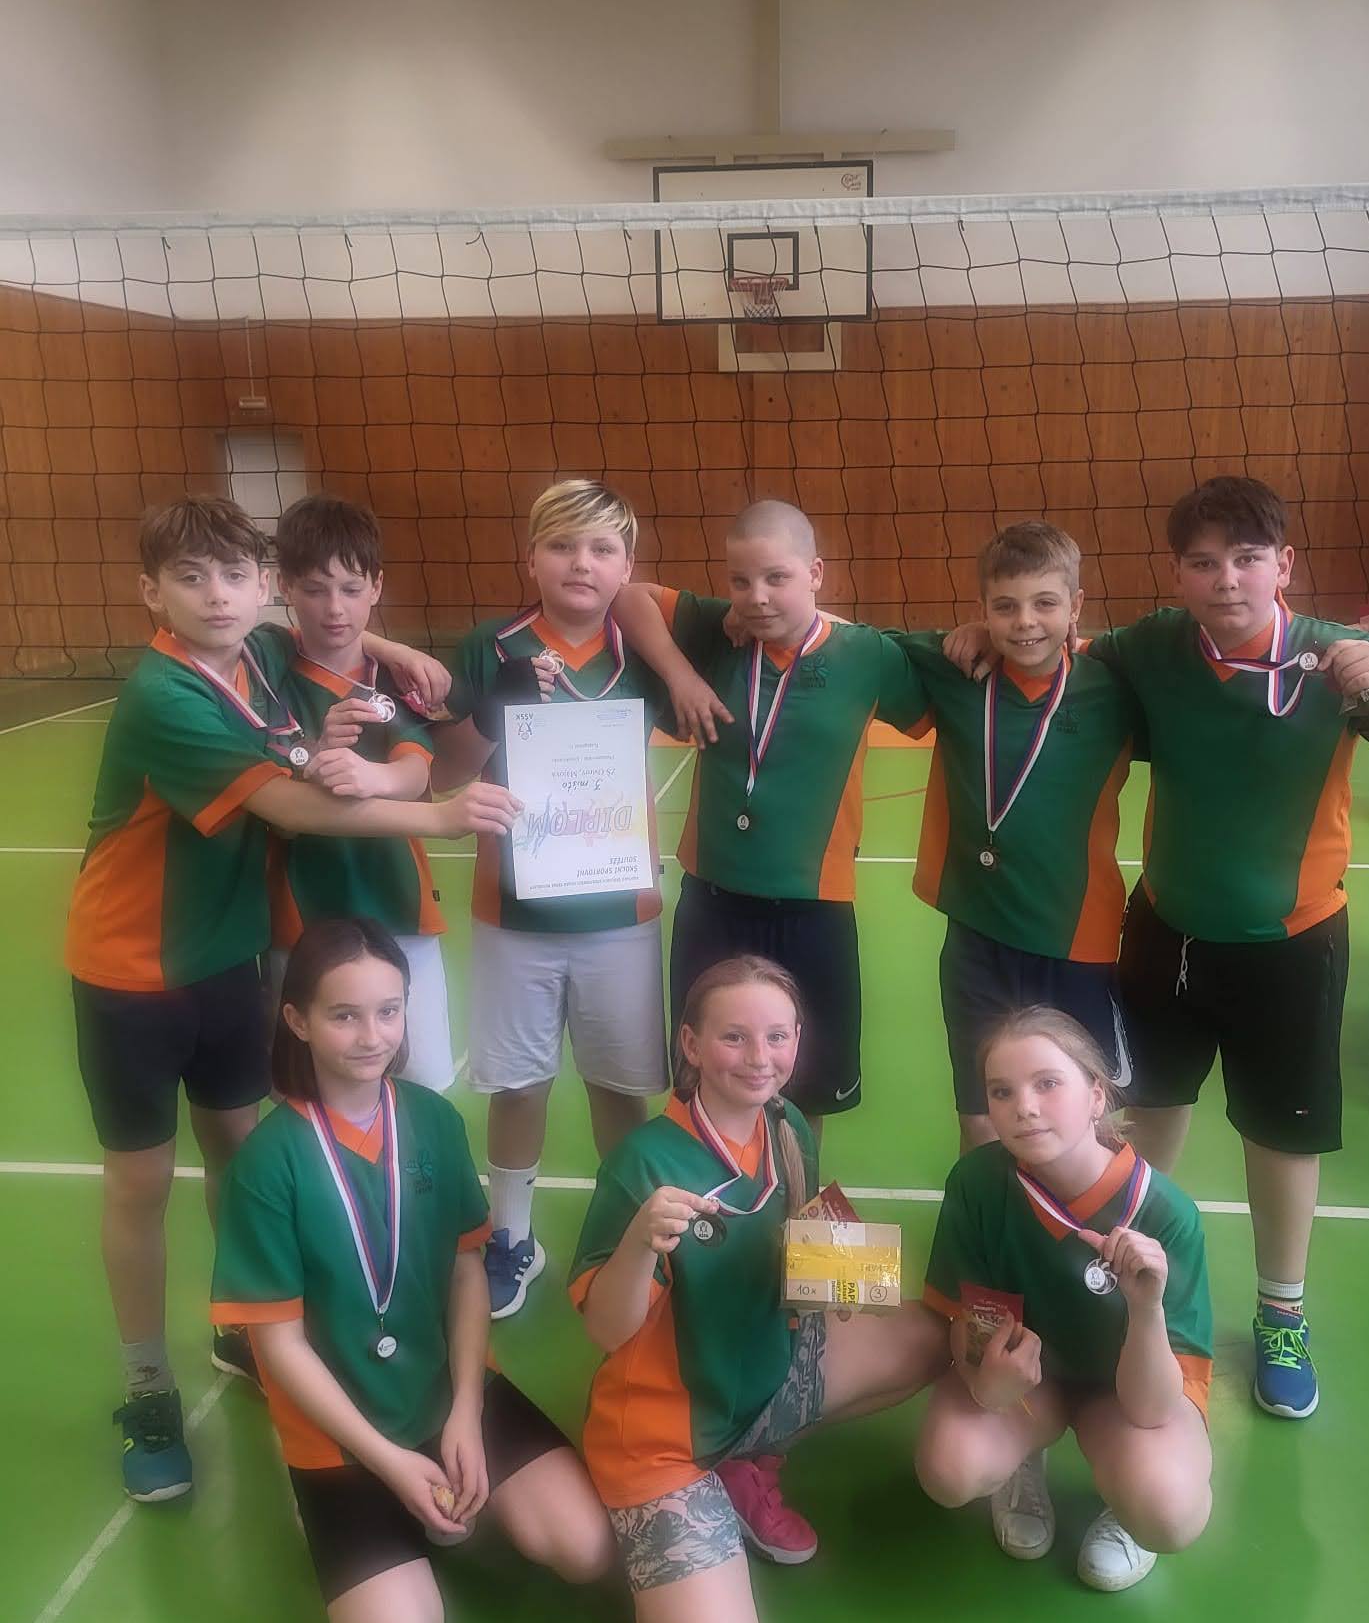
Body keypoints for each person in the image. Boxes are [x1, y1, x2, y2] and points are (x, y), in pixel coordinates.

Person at [65, 495, 520, 1502]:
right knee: (140, 1184)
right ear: (150, 593)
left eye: (235, 575)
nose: (216, 596)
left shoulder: (260, 657)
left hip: (229, 960)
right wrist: (440, 814)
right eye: (190, 578)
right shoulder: (165, 693)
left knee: (240, 1154)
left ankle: (242, 1324)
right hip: (130, 971)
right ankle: (148, 1388)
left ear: (262, 587)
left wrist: (397, 649)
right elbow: (293, 806)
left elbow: (327, 629)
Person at [1082, 477, 1369, 1421]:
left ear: (1284, 565)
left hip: (1293, 945)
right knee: (1147, 1117)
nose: (1225, 579)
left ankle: (1282, 1314)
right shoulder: (1154, 646)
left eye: (1246, 558)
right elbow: (1061, 661)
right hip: (1166, 933)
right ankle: (1126, 1279)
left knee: (1281, 1134)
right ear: (1178, 574)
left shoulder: (1337, 661)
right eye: (1202, 562)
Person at [210, 919, 613, 1623]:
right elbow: (278, 1345)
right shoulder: (266, 1163)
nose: (372, 1036)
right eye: (344, 1015)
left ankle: (448, 1484)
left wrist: (465, 1410)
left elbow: (467, 1270)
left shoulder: (432, 1121)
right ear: (297, 1020)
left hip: (445, 1392)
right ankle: (362, 1509)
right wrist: (389, 1463)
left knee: (585, 1548)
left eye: (388, 1011)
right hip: (341, 1437)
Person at [568, 956, 946, 1623]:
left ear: (798, 1040)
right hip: (664, 1439)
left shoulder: (787, 1127)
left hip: (762, 1376)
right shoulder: (642, 1164)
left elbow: (805, 1237)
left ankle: (747, 1464)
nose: (759, 1057)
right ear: (691, 1045)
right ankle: (674, 1527)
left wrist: (840, 1280)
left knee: (928, 1339)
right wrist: (639, 1241)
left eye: (777, 1036)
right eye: (733, 1037)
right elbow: (606, 1329)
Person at [433, 479, 712, 1320]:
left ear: (628, 567)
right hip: (511, 914)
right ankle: (513, 1238)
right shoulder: (492, 646)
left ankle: (625, 1235)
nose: (580, 564)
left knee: (619, 1089)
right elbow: (445, 774)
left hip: (619, 917)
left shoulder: (644, 651)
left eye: (601, 550)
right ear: (531, 559)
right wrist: (493, 716)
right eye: (561, 546)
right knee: (517, 1085)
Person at [611, 497, 925, 1133]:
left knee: (805, 1089)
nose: (756, 597)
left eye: (776, 577)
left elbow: (941, 693)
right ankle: (707, 1187)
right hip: (714, 900)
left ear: (815, 573)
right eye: (740, 580)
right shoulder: (717, 632)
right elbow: (627, 598)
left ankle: (794, 1192)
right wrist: (681, 676)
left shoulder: (867, 655)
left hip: (814, 909)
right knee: (703, 1073)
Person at [915, 1008, 1212, 1593]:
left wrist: (1145, 1308)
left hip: (1126, 1398)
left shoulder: (1165, 1215)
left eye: (1047, 1083)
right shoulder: (977, 1183)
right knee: (950, 1470)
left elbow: (1153, 1408)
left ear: (1097, 1095)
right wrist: (988, 1385)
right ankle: (1022, 1458)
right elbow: (968, 1319)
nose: (1023, 1107)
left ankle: (1128, 1511)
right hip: (1032, 1385)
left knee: (1169, 1513)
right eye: (1002, 1091)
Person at [890, 521, 1141, 1148]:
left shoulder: (1115, 686)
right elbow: (847, 642)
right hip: (978, 937)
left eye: (1044, 603)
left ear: (1076, 606)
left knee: (1086, 1112)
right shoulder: (953, 670)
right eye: (1005, 607)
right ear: (982, 609)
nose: (1025, 621)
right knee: (983, 1110)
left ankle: (1086, 1209)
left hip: (1077, 939)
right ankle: (990, 1208)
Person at [259, 491, 455, 1091]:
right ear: (285, 587)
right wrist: (314, 759)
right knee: (307, 1089)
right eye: (315, 589)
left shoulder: (391, 680)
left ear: (376, 586)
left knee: (422, 1082)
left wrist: (374, 779)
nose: (334, 608)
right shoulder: (267, 671)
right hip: (303, 915)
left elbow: (416, 771)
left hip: (400, 908)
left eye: (350, 589)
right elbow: (278, 810)